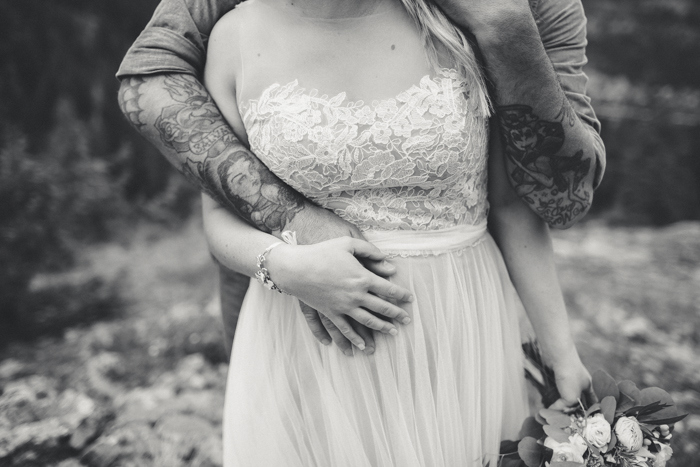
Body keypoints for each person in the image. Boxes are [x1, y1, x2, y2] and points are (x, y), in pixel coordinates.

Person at [117, 0, 603, 464]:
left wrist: (561, 352)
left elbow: (514, 208)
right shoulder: (234, 36)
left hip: (458, 331)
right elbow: (220, 215)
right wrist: (283, 265)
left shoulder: (457, 30)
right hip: (308, 339)